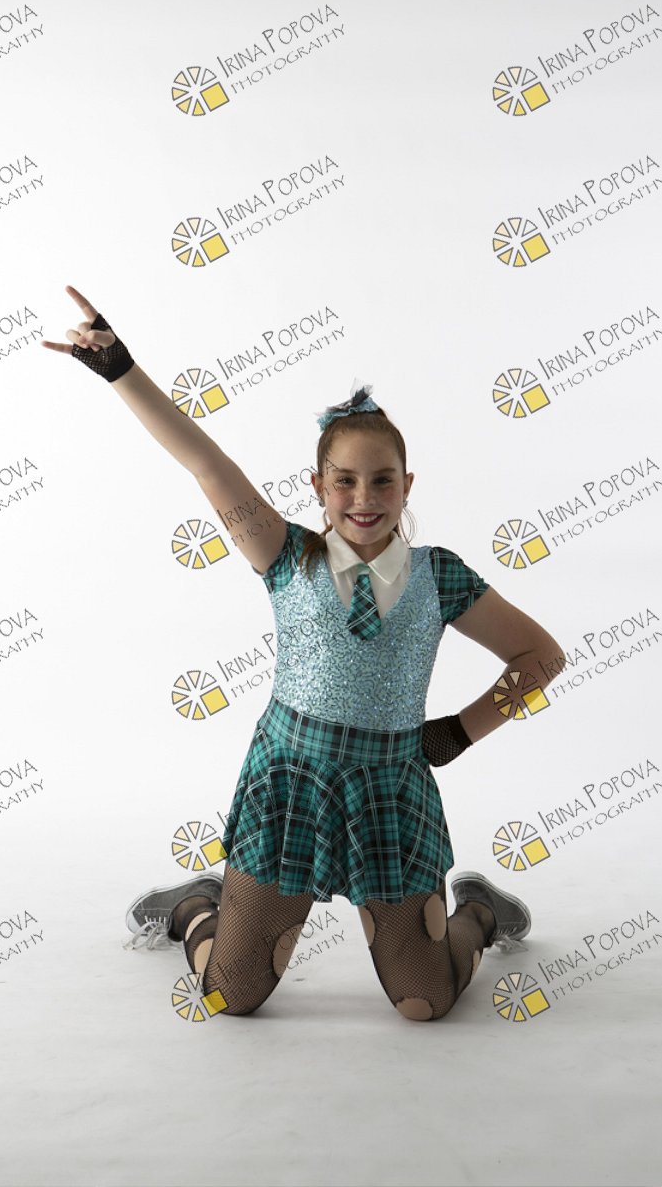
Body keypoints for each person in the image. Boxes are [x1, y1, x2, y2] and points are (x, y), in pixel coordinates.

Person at [42, 285, 567, 1022]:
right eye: (344, 480)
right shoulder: (285, 554)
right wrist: (121, 369)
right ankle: (196, 905)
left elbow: (540, 656)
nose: (364, 497)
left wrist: (457, 731)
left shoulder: (440, 576)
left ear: (407, 485)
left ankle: (480, 910)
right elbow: (206, 463)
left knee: (426, 1001)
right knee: (228, 994)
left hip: (392, 792)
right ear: (318, 487)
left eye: (382, 479)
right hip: (289, 784)